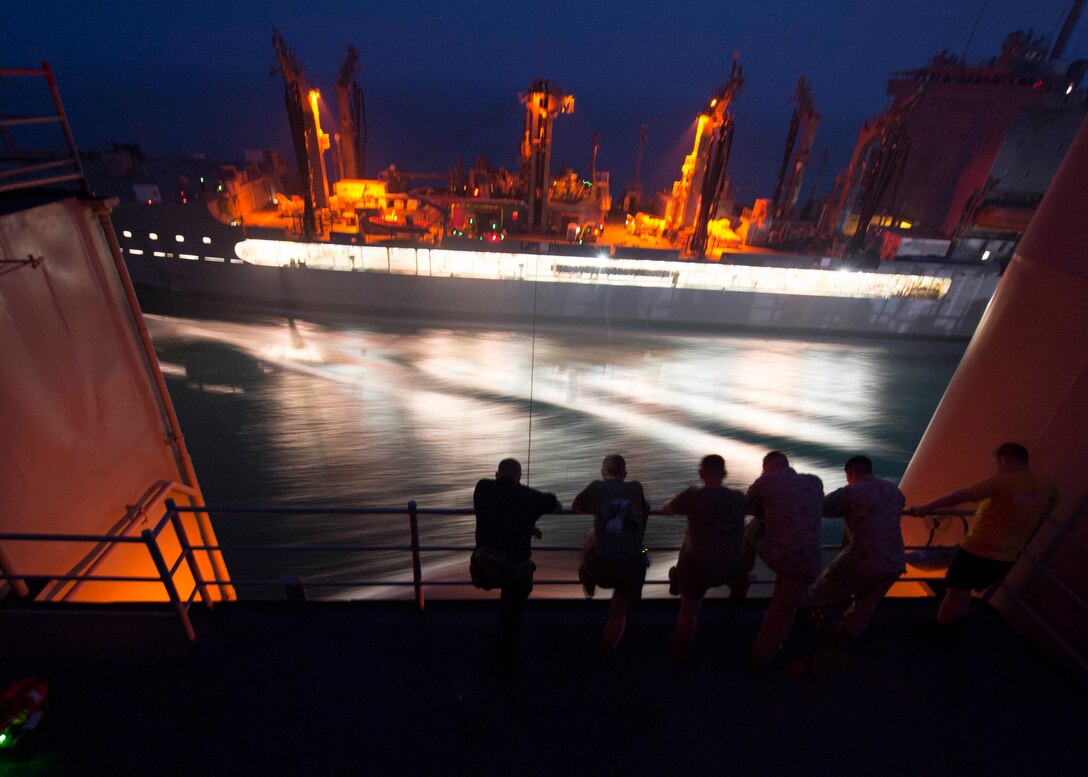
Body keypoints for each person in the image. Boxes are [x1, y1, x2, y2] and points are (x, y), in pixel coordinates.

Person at [908, 442, 1058, 634]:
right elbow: (1045, 512)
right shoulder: (1048, 487)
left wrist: (925, 509)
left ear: (1004, 459)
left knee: (955, 591)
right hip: (1007, 556)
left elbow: (959, 496)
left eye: (997, 463)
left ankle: (940, 630)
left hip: (976, 549)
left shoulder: (1002, 481)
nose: (997, 468)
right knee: (965, 591)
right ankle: (957, 625)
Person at [472, 458, 562, 676]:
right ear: (520, 478)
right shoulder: (530, 497)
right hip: (515, 575)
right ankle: (508, 660)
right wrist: (528, 517)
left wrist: (526, 524)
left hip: (484, 571)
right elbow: (556, 506)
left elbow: (499, 513)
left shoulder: (482, 488)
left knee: (501, 579)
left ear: (497, 474)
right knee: (515, 603)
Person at [806, 455, 905, 642]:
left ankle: (807, 632)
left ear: (849, 474)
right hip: (894, 561)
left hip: (862, 558)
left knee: (818, 592)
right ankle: (845, 639)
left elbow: (821, 508)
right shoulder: (895, 492)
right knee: (865, 606)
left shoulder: (851, 492)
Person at [742, 451, 824, 671]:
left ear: (766, 467)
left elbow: (746, 506)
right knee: (789, 597)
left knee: (751, 526)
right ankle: (807, 611)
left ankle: (761, 653)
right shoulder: (814, 482)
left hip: (786, 558)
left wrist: (762, 486)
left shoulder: (766, 480)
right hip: (814, 558)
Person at [661, 454, 747, 660]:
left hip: (700, 569)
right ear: (724, 473)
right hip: (733, 567)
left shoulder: (693, 495)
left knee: (689, 611)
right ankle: (730, 624)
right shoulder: (739, 497)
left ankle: (683, 645)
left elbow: (667, 510)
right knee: (692, 536)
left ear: (701, 473)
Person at [572, 454, 651, 657]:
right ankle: (607, 648)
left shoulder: (597, 487)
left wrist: (600, 507)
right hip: (634, 565)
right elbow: (644, 511)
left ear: (602, 473)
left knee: (591, 536)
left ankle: (587, 576)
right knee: (618, 613)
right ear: (625, 473)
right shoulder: (636, 488)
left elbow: (577, 506)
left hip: (604, 567)